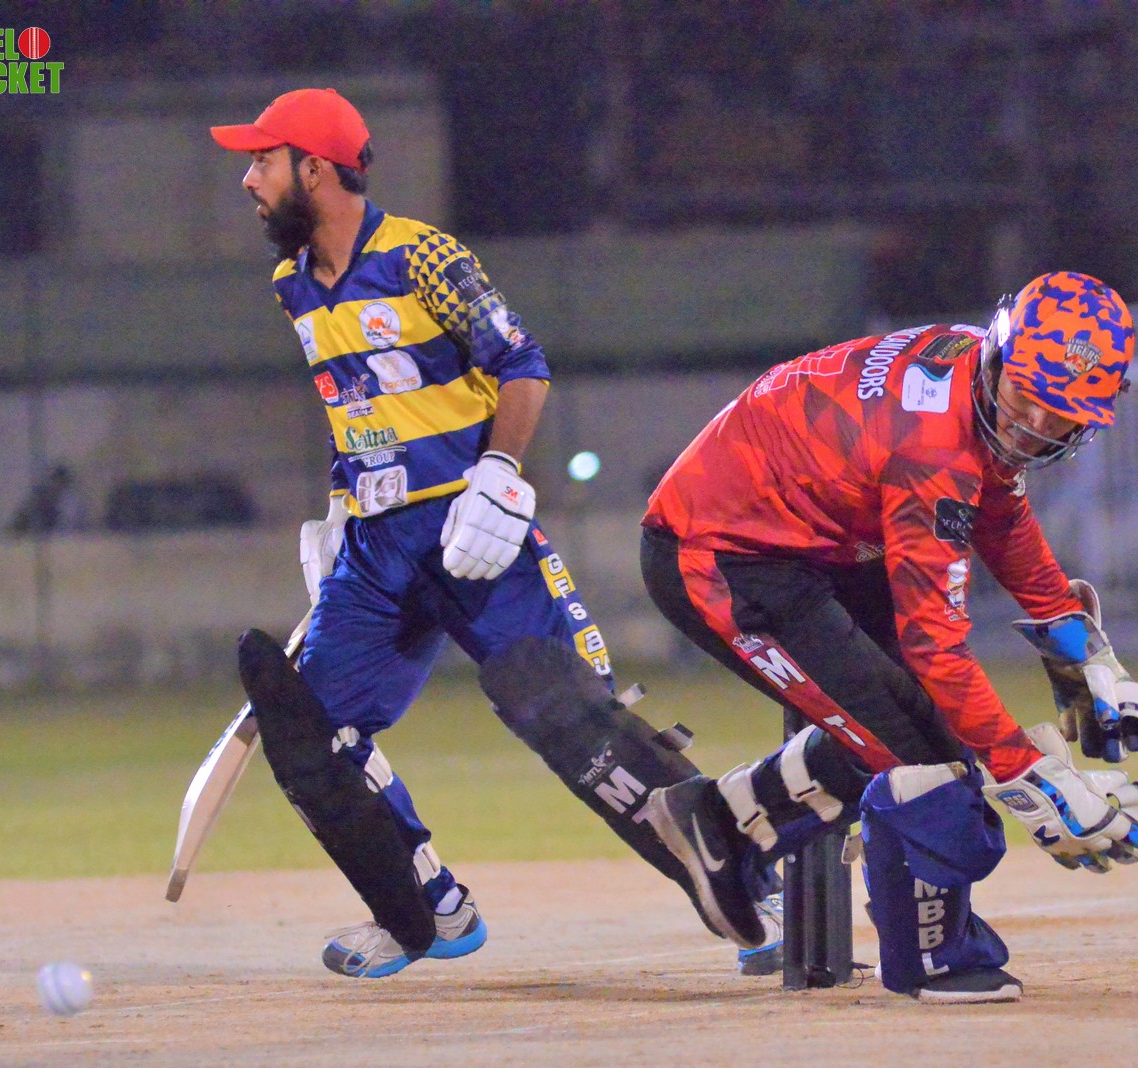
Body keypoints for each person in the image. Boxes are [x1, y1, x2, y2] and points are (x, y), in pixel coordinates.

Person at [210, 88, 777, 980]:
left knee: (570, 714)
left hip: (472, 526)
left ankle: (755, 899)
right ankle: (428, 908)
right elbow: (352, 404)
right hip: (375, 547)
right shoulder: (292, 285)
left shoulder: (422, 255)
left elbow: (522, 364)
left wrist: (499, 474)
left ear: (314, 169)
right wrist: (339, 509)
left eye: (261, 161)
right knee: (315, 730)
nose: (248, 180)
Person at [636, 272, 1138, 1004]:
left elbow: (1000, 511)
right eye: (1026, 399)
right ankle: (931, 959)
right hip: (723, 552)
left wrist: (1080, 644)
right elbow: (936, 647)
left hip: (808, 539)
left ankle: (722, 823)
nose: (1033, 427)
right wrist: (1031, 775)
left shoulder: (973, 375)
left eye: (1060, 416)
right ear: (1000, 357)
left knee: (916, 728)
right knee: (927, 759)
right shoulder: (931, 450)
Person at [9, 464, 87, 535]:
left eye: (59, 481)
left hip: (66, 540)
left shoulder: (72, 502)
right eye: (54, 480)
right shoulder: (41, 498)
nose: (55, 484)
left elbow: (70, 526)